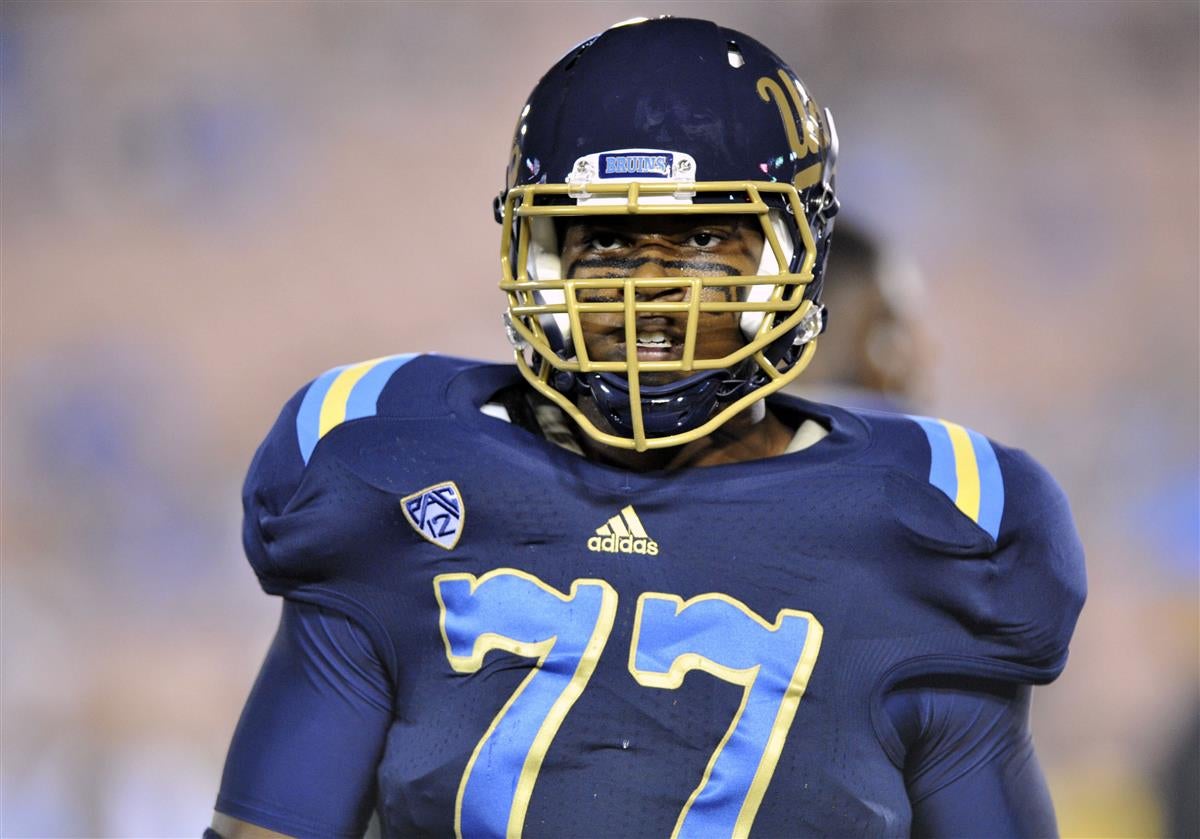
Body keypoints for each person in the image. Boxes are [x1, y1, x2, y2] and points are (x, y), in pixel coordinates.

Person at [211, 17, 1085, 838]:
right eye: (605, 241)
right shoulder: (384, 461)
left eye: (703, 238)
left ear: (794, 255)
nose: (650, 287)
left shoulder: (932, 527)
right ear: (538, 252)